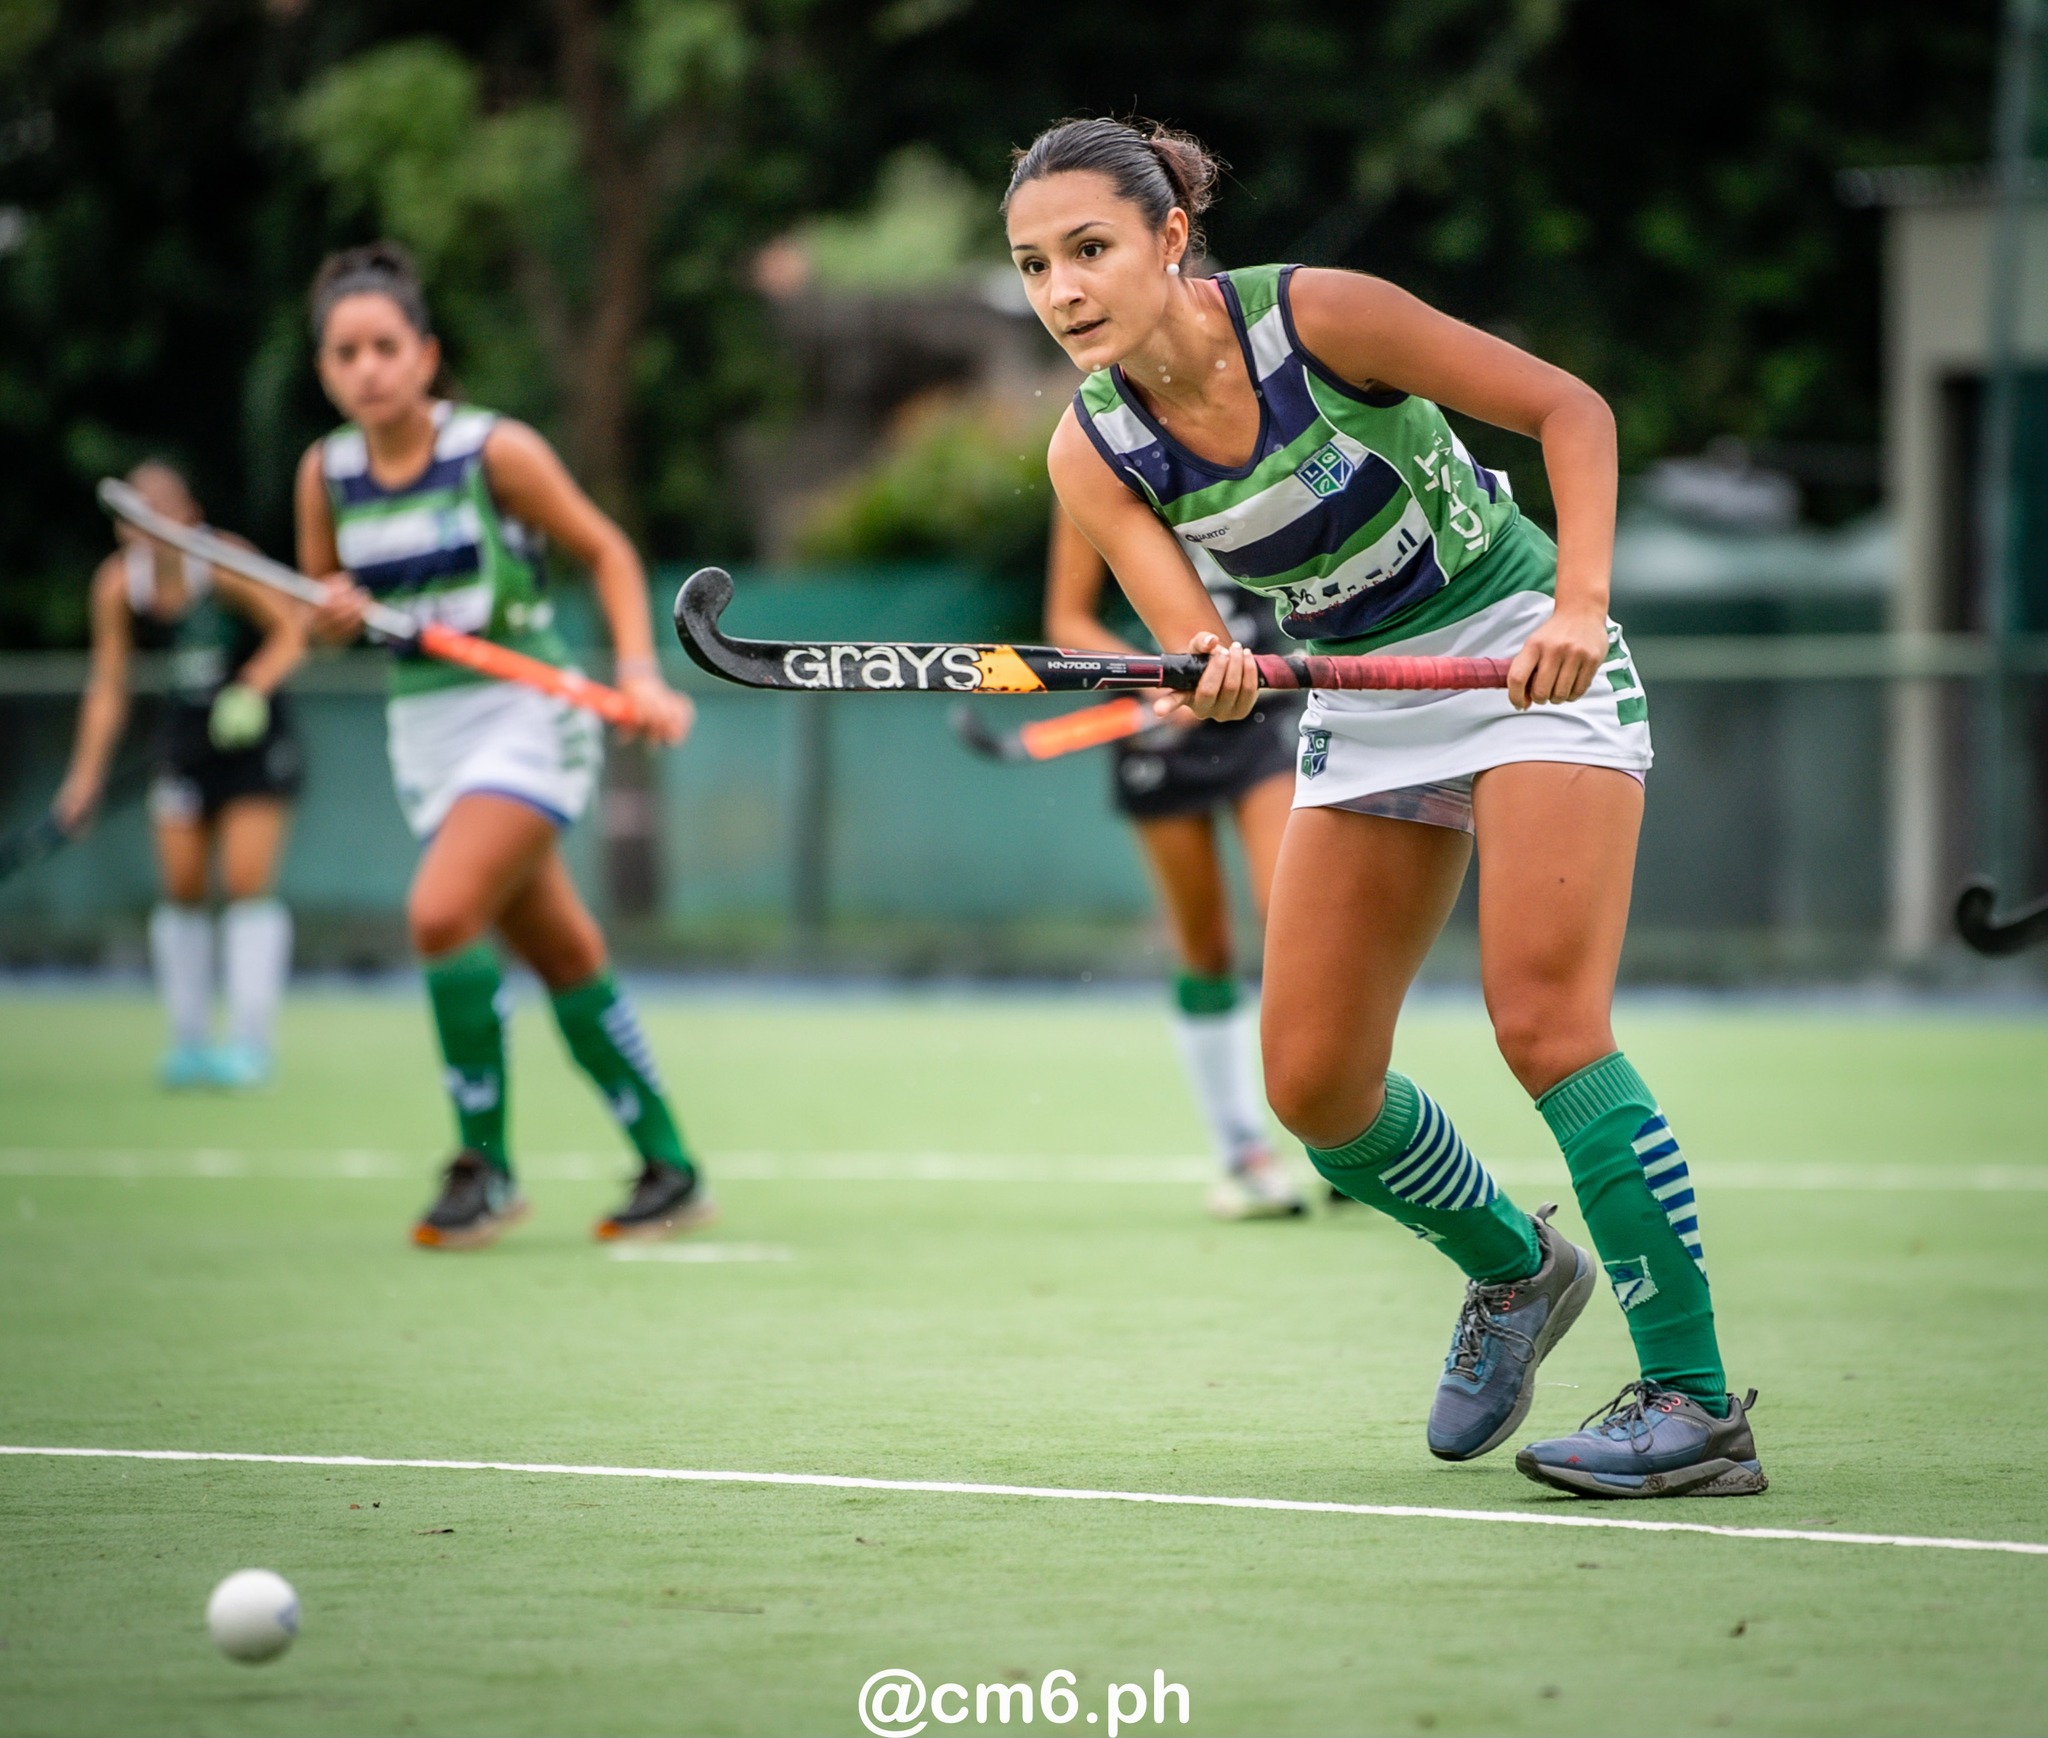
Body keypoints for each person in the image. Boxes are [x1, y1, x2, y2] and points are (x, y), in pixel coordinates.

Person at [1004, 117, 1764, 1499]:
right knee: (1313, 1085)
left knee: (1544, 1024)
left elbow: (1571, 411)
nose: (1061, 289)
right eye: (1034, 264)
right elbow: (1195, 647)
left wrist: (1580, 604)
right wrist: (1207, 677)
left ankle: (1695, 1402)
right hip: (1366, 702)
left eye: (1089, 249)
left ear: (1170, 236)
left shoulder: (1319, 319)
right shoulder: (1091, 451)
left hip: (1524, 656)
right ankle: (1515, 1270)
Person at [297, 241, 710, 1251]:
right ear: (324, 370)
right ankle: (669, 1166)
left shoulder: (494, 452)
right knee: (561, 951)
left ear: (426, 355)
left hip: (527, 718)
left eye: (385, 346)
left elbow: (607, 550)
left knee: (441, 913)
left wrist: (639, 673)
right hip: (425, 734)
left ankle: (485, 1166)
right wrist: (329, 616)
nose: (367, 369)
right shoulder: (326, 473)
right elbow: (320, 613)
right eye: (346, 353)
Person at [1045, 503, 1305, 1218]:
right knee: (1206, 947)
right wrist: (1149, 678)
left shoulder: (1251, 458)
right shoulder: (1091, 468)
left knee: (1293, 918)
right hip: (1159, 723)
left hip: (1257, 709)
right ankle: (1244, 1156)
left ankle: (1343, 1129)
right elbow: (1068, 622)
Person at [56, 460, 304, 1089]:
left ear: (188, 516)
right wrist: (84, 778)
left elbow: (292, 630)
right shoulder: (119, 587)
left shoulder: (223, 562)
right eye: (135, 517)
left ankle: (250, 1044)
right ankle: (189, 1041)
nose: (148, 529)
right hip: (184, 744)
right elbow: (109, 684)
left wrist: (251, 687)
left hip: (253, 738)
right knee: (183, 887)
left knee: (246, 882)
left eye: (161, 512)